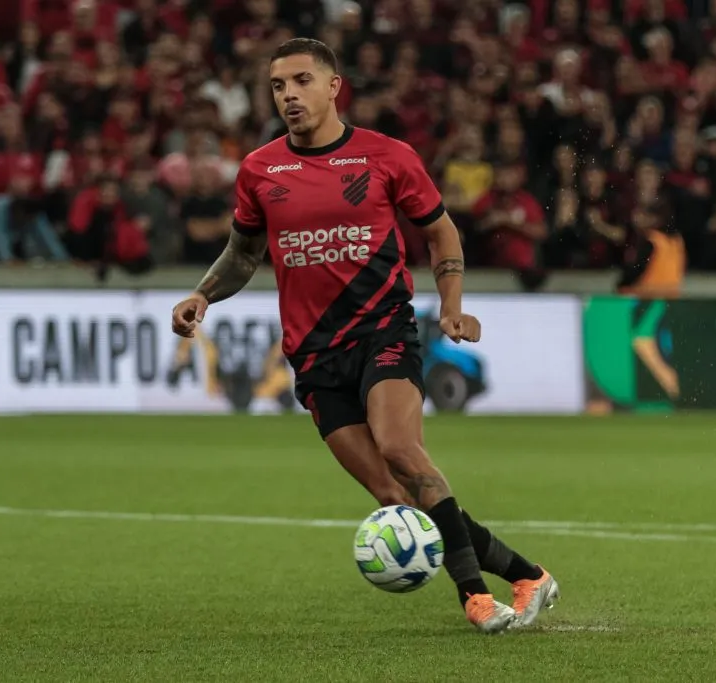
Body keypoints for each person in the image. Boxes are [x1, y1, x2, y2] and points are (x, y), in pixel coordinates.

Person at [170, 38, 558, 634]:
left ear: (333, 86)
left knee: (402, 449)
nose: (289, 95)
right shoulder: (259, 170)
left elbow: (443, 235)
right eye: (278, 86)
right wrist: (202, 293)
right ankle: (529, 574)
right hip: (314, 354)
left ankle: (475, 597)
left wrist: (452, 307)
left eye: (301, 81)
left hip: (384, 330)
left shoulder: (387, 157)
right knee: (392, 495)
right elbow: (243, 253)